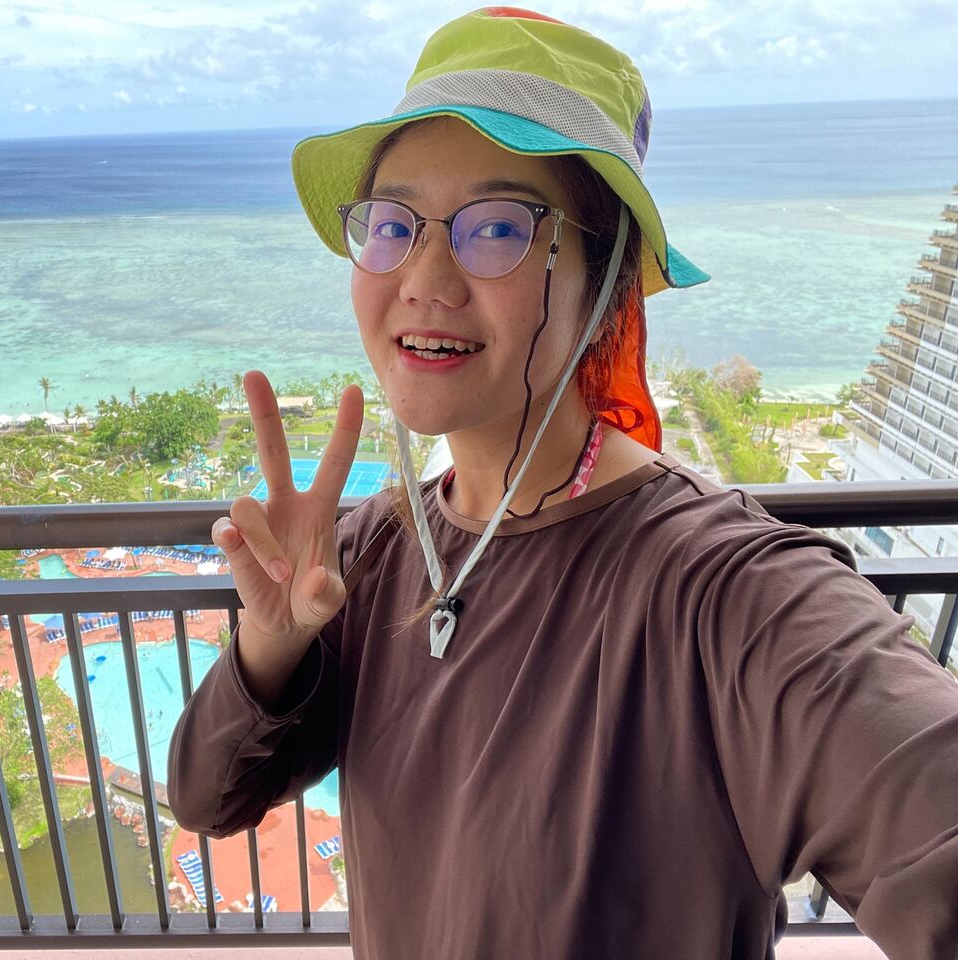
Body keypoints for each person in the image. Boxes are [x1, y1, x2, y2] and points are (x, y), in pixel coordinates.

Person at [167, 8, 958, 958]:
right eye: (393, 225)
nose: (425, 279)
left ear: (606, 276)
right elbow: (208, 798)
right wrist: (271, 645)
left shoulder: (723, 592)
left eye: (499, 226)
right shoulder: (367, 553)